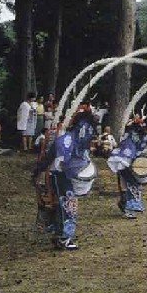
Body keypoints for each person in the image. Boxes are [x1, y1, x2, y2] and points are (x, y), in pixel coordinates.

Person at [32, 103, 96, 250]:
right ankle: (64, 238)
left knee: (64, 205)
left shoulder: (71, 137)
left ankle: (60, 235)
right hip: (60, 174)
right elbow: (57, 157)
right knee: (67, 205)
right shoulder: (66, 138)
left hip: (61, 174)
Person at [107, 115, 147, 219]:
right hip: (123, 160)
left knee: (131, 185)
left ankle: (128, 207)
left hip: (132, 161)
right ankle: (127, 208)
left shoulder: (141, 135)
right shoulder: (128, 133)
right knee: (124, 186)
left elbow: (142, 146)